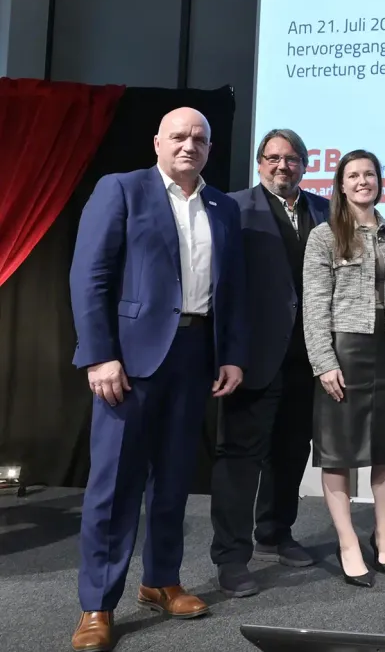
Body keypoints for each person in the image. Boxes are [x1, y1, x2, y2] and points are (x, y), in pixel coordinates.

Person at [70, 108, 246, 652]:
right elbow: (90, 275)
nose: (189, 145)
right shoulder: (121, 190)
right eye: (179, 136)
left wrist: (232, 355)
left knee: (172, 482)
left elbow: (232, 289)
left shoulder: (222, 206)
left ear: (210, 149)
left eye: (199, 138)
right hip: (130, 359)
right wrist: (100, 356)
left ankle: (161, 581)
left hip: (195, 355)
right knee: (115, 486)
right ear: (157, 142)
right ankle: (97, 604)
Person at [209, 129, 329, 597]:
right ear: (260, 163)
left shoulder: (323, 210)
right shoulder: (234, 208)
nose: (283, 166)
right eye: (274, 158)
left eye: (293, 158)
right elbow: (222, 286)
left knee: (291, 451)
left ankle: (276, 533)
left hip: (308, 356)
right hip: (250, 357)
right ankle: (231, 557)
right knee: (240, 459)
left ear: (304, 164)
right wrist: (227, 354)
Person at [302, 149, 385, 588]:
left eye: (369, 174)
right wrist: (324, 362)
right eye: (353, 175)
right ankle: (348, 541)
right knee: (339, 452)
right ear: (340, 184)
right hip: (344, 351)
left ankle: (383, 537)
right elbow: (315, 306)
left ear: (379, 181)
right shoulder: (324, 235)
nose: (362, 181)